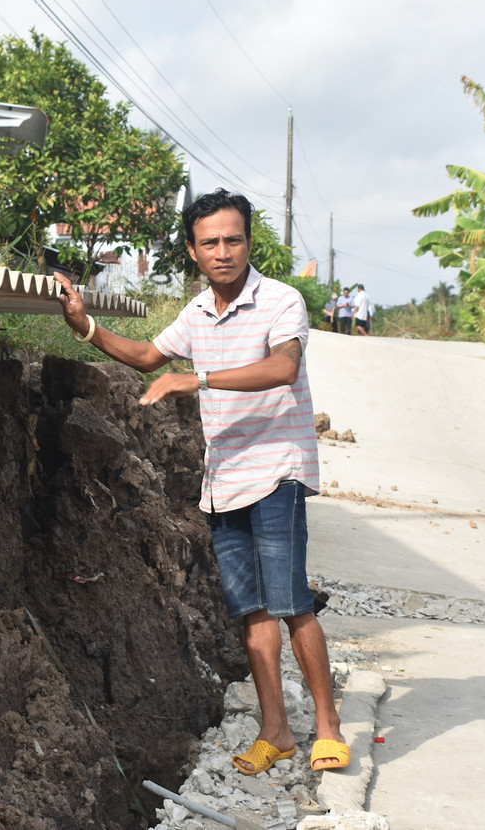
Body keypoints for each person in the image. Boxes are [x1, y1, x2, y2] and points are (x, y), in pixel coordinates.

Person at [53, 187, 350, 776]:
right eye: (210, 242)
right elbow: (144, 356)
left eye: (233, 239)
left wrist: (198, 380)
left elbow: (282, 367)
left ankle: (329, 728)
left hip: (277, 470)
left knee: (292, 605)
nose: (223, 251)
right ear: (193, 250)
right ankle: (276, 731)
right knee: (251, 613)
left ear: (248, 243)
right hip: (223, 481)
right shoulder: (196, 313)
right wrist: (85, 328)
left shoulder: (281, 301)